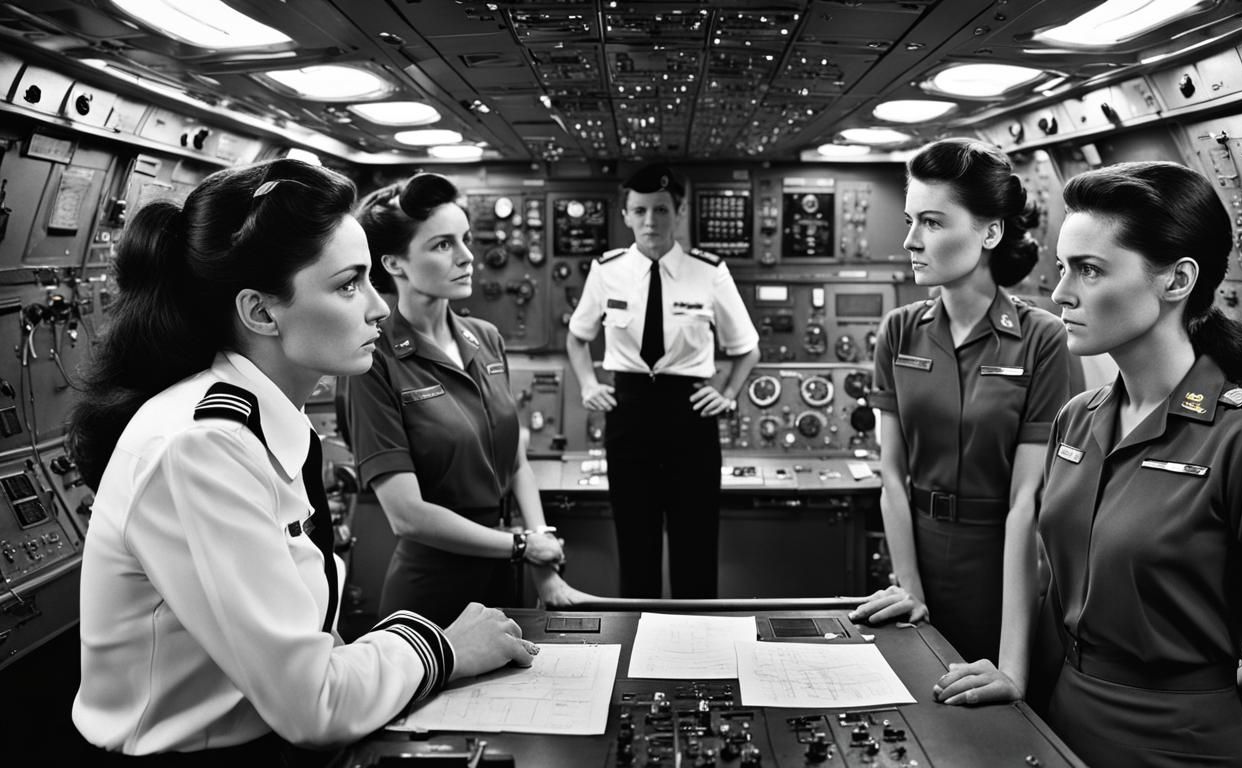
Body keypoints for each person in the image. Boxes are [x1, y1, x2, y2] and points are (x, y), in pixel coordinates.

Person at [67, 158, 536, 764]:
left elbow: (315, 647)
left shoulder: (262, 426)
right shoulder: (200, 448)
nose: (380, 308)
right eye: (348, 285)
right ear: (261, 312)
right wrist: (444, 648)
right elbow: (312, 703)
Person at [931, 161, 1242, 768]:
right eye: (1063, 268)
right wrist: (1015, 675)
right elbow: (1053, 587)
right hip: (1062, 727)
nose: (1061, 293)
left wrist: (1197, 721)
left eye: (1089, 270)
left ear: (1177, 280)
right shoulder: (1078, 418)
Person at [849, 137, 1073, 674]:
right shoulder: (898, 331)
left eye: (931, 223)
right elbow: (891, 475)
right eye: (910, 221)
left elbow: (1027, 502)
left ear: (989, 232)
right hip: (917, 555)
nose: (910, 241)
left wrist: (1012, 665)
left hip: (1002, 566)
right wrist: (909, 587)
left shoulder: (1042, 338)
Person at [345, 172, 589, 626]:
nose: (466, 256)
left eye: (466, 240)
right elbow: (407, 515)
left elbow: (516, 463)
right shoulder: (373, 360)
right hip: (432, 592)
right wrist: (522, 545)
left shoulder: (487, 338)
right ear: (395, 264)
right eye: (443, 245)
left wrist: (543, 567)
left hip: (505, 580)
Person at [565, 163, 761, 598]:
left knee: (696, 546)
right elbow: (577, 338)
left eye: (661, 210)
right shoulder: (607, 270)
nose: (650, 221)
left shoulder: (709, 271)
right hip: (628, 416)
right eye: (640, 211)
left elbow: (748, 348)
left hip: (689, 417)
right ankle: (637, 634)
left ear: (680, 212)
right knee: (635, 545)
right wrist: (588, 385)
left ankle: (699, 637)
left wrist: (728, 394)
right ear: (625, 215)